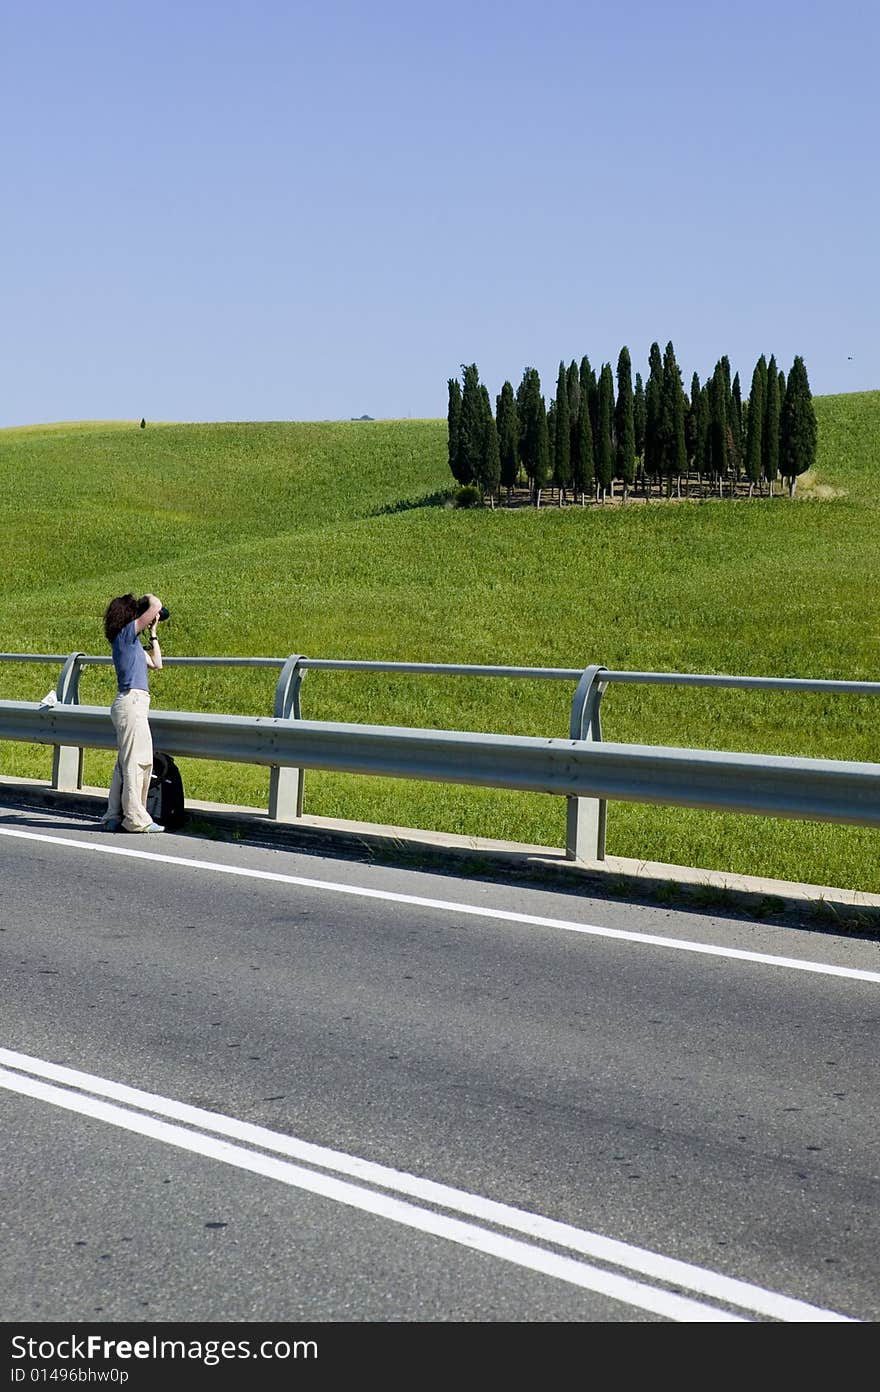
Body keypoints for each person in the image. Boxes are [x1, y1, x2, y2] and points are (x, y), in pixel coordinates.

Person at [100, 593, 165, 832]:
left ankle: (113, 816)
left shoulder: (131, 642)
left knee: (126, 763)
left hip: (133, 704)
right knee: (135, 762)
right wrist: (146, 600)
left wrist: (154, 633)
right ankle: (136, 819)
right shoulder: (126, 634)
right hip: (131, 703)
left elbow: (157, 664)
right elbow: (156, 604)